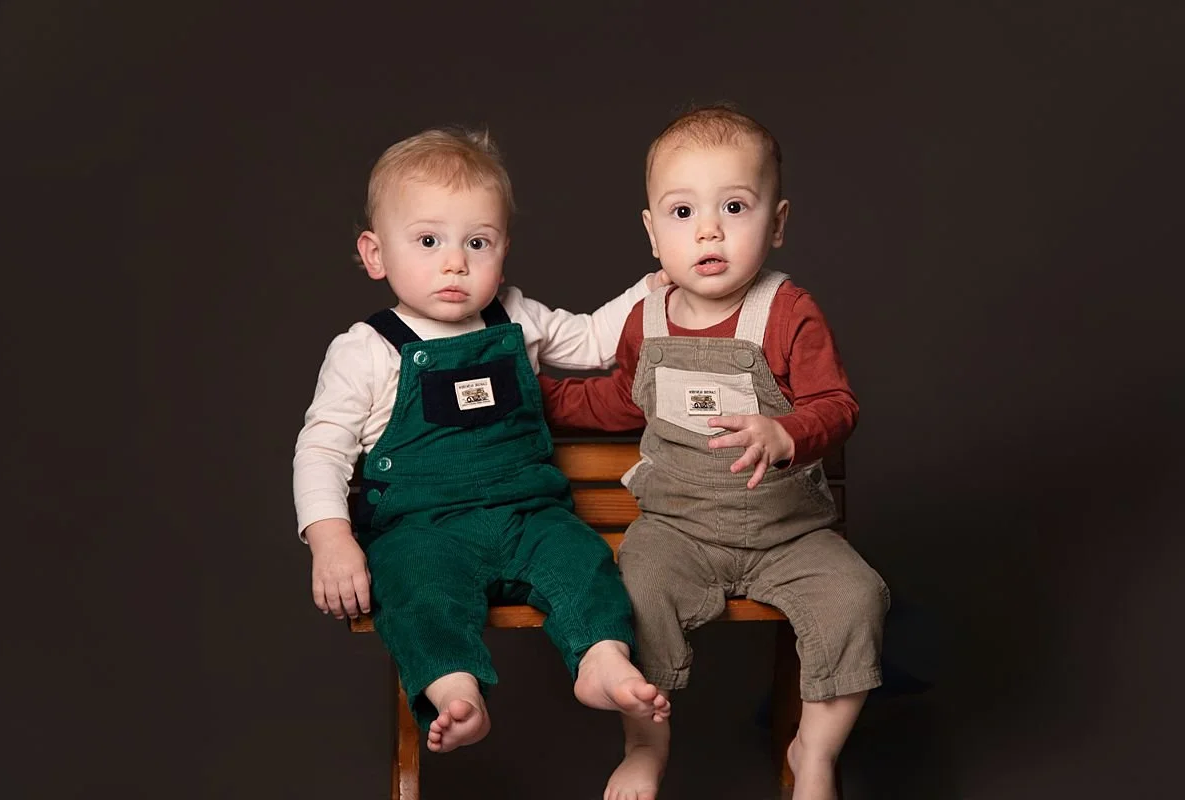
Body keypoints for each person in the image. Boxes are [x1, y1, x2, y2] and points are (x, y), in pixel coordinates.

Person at [538, 105, 889, 800]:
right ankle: (645, 747)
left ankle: (813, 752)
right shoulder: (649, 317)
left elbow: (837, 404)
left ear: (778, 222)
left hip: (788, 534)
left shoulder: (788, 311)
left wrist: (786, 432)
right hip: (678, 531)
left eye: (735, 206)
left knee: (858, 597)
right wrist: (537, 396)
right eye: (682, 212)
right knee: (635, 592)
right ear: (650, 231)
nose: (708, 230)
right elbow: (617, 402)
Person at [293, 127, 671, 755]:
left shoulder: (515, 317)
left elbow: (595, 340)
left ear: (504, 250)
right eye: (429, 240)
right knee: (413, 589)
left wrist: (652, 288)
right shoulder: (367, 350)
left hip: (529, 516)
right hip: (424, 529)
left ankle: (601, 659)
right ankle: (453, 688)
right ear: (375, 253)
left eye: (478, 242)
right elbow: (322, 448)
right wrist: (330, 537)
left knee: (583, 562)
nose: (455, 262)